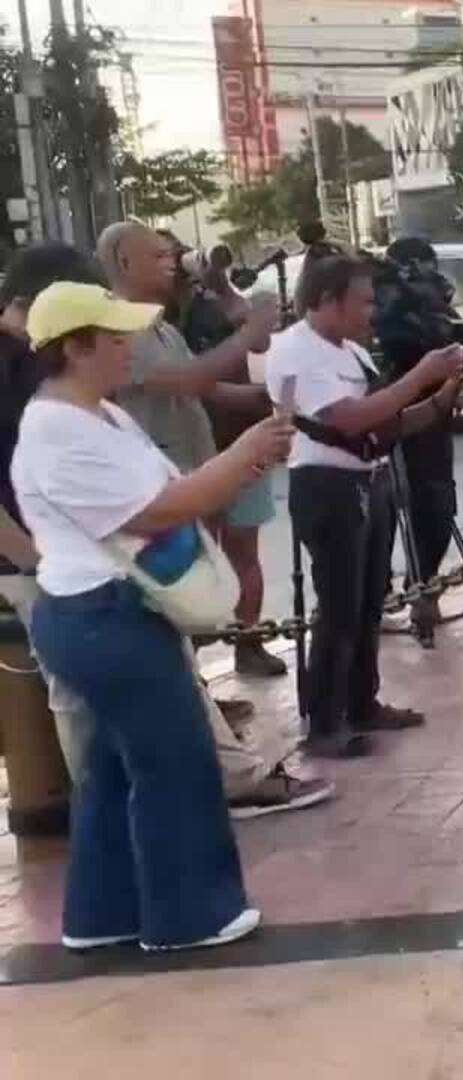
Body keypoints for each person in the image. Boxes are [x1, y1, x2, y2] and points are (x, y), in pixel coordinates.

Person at [13, 281, 296, 950]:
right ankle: (190, 916)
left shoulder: (101, 415)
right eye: (115, 340)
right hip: (101, 616)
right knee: (174, 762)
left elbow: (172, 487)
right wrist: (245, 453)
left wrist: (243, 462)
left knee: (116, 770)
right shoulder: (57, 431)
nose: (127, 350)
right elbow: (159, 511)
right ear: (75, 349)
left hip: (112, 614)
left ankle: (103, 917)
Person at [97, 221, 325, 815]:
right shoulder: (120, 327)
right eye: (157, 253)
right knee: (173, 619)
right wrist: (246, 330)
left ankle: (205, 741)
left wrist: (260, 404)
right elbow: (188, 379)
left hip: (184, 485)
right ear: (123, 261)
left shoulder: (160, 322)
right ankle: (218, 769)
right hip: (156, 502)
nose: (172, 259)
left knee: (184, 621)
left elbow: (199, 391)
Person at [266, 256, 463, 759]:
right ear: (327, 301)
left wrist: (444, 395)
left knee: (368, 601)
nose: (372, 312)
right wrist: (421, 374)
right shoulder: (295, 351)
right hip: (324, 484)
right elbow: (351, 419)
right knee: (338, 606)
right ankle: (324, 720)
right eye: (362, 301)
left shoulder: (353, 353)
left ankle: (362, 701)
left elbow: (388, 424)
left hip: (368, 478)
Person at [0, 245, 108, 785]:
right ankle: (97, 807)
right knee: (73, 690)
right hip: (31, 559)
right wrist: (32, 558)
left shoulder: (31, 356)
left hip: (70, 551)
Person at [174, 245, 285, 677]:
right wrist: (257, 396)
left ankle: (248, 643)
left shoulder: (215, 303)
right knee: (193, 559)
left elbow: (260, 338)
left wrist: (220, 283)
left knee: (243, 548)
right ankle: (195, 671)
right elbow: (193, 384)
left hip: (242, 435)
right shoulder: (155, 320)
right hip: (193, 447)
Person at [371, 237, 463, 625]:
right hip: (385, 413)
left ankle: (422, 586)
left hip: (430, 414)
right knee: (388, 506)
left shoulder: (431, 299)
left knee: (433, 505)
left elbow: (451, 338)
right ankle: (386, 591)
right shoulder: (385, 298)